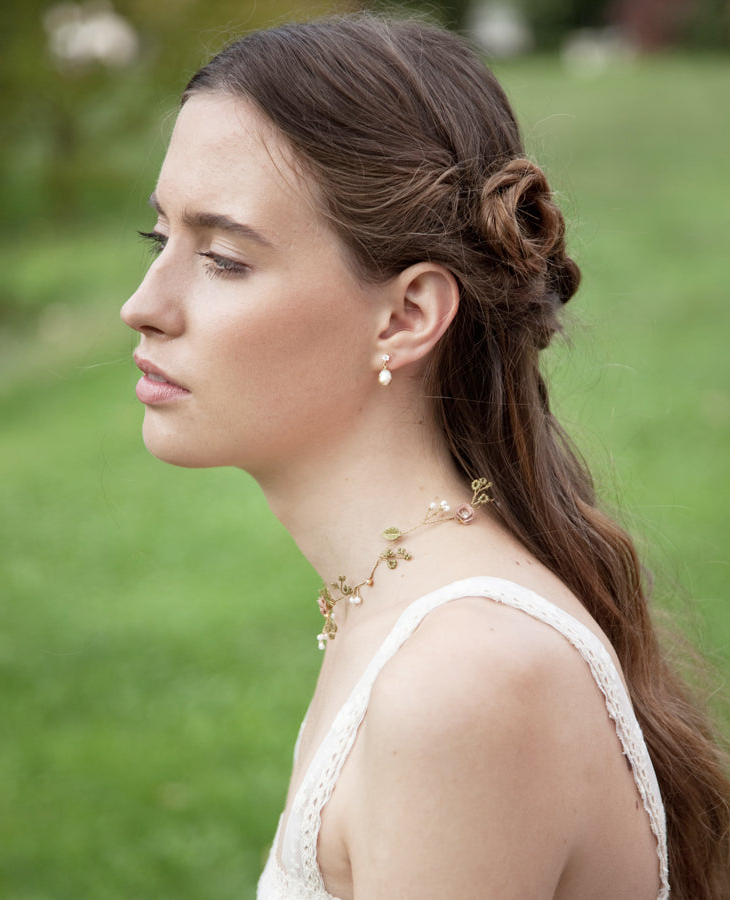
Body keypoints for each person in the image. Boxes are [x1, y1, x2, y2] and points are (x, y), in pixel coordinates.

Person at [120, 15, 730, 900]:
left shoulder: (462, 684)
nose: (143, 304)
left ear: (407, 316)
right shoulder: (394, 609)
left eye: (221, 258)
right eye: (158, 239)